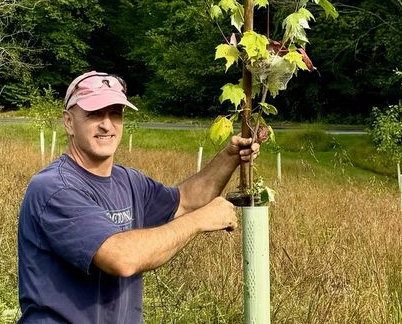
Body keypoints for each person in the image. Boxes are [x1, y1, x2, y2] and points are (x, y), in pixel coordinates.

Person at [17, 71, 264, 323]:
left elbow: (186, 200)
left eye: (115, 113)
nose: (106, 124)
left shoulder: (129, 181)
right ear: (69, 122)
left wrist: (230, 157)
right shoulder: (54, 188)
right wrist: (199, 221)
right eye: (94, 114)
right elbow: (121, 257)